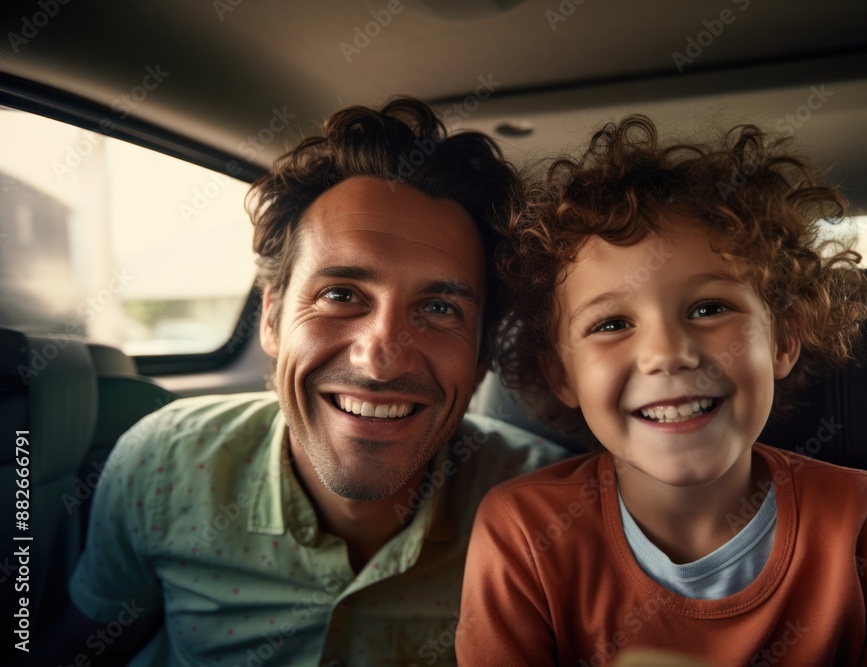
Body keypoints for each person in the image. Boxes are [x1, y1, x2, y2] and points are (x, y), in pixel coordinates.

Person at [46, 97, 567, 666]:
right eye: (340, 296)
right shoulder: (162, 463)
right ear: (271, 319)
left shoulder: (546, 509)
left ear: (485, 351)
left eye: (439, 309)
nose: (380, 361)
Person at [456, 117, 867, 666]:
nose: (667, 353)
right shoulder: (524, 531)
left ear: (784, 339)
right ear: (561, 376)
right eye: (611, 324)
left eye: (710, 309)